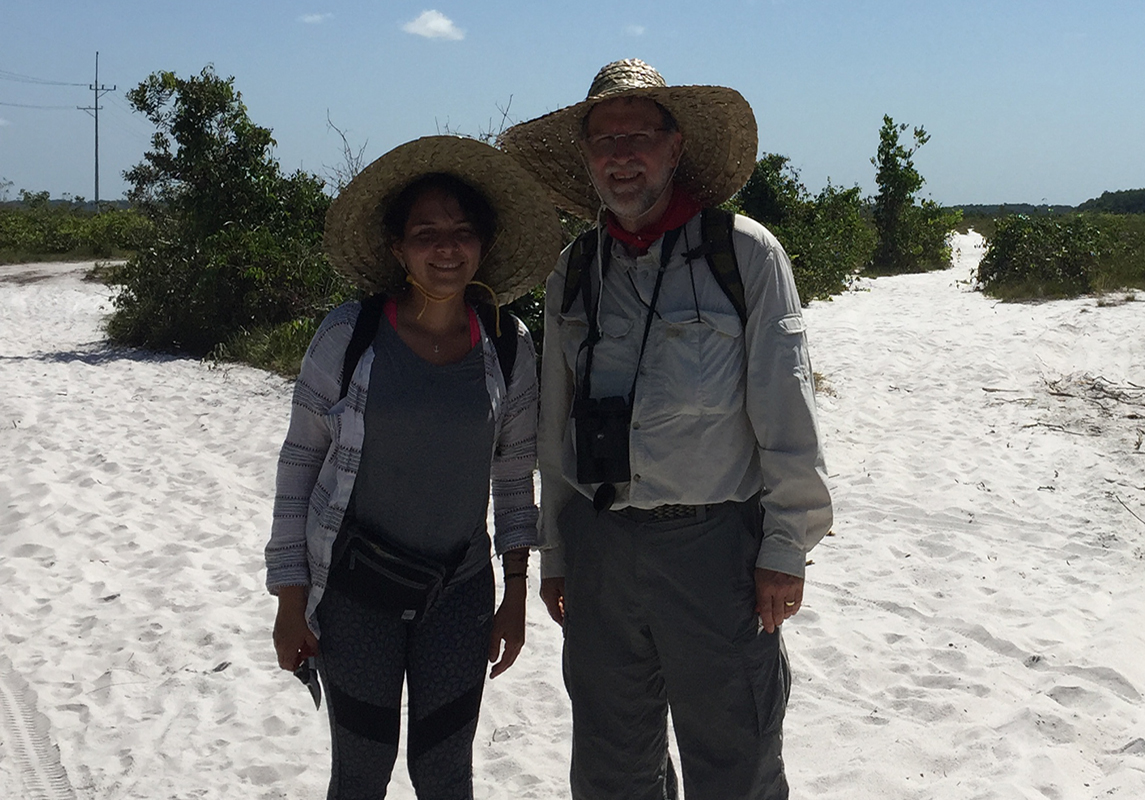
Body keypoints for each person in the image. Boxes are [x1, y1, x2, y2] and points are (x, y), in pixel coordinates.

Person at [499, 59, 833, 799]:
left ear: (675, 147)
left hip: (716, 549)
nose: (621, 155)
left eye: (638, 135)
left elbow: (789, 412)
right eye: (603, 141)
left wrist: (786, 546)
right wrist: (556, 554)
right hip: (598, 547)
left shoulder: (744, 254)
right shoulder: (573, 270)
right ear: (586, 160)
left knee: (735, 763)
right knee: (613, 769)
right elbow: (556, 428)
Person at [264, 135, 562, 799]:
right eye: (426, 232)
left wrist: (514, 594)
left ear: (483, 244)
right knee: (361, 773)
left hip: (458, 593)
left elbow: (515, 480)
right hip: (354, 595)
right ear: (397, 247)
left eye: (461, 231)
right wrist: (290, 602)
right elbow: (298, 470)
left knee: (445, 772)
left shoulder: (508, 346)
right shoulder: (350, 337)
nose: (446, 247)